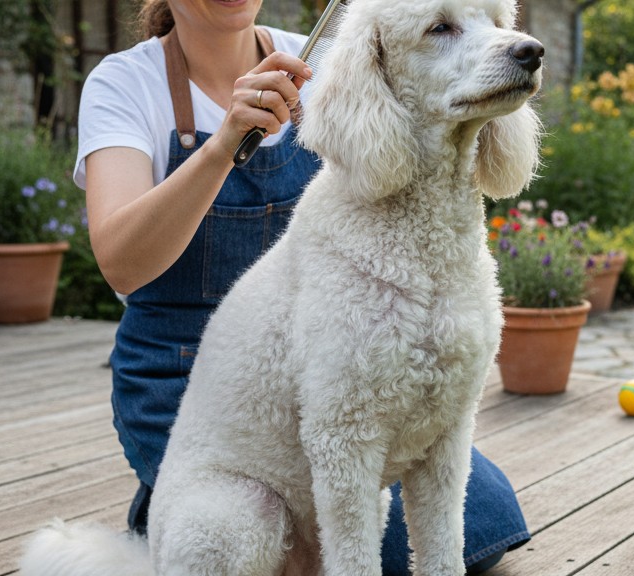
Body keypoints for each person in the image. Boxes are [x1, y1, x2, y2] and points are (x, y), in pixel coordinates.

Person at [74, 0, 530, 573]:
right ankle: (164, 509)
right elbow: (120, 263)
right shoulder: (124, 82)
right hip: (186, 384)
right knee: (248, 535)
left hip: (341, 362)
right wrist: (224, 144)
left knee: (488, 523)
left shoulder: (319, 57)